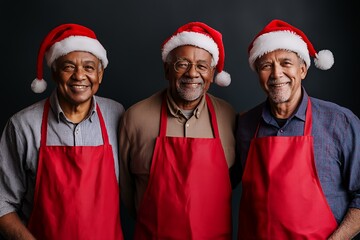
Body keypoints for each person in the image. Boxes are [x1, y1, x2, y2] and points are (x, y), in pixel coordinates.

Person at [235, 19, 360, 239]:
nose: (276, 74)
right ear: (258, 74)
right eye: (266, 66)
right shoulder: (244, 125)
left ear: (302, 70)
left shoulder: (340, 122)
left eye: (286, 63)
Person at [0, 23, 125, 240]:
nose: (79, 76)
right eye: (68, 67)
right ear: (55, 73)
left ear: (100, 74)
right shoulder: (22, 125)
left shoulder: (118, 115)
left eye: (88, 67)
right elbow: (2, 202)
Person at [119, 21, 236, 239]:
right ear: (166, 69)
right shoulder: (135, 118)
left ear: (211, 74)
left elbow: (234, 177)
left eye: (201, 66)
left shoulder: (228, 116)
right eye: (182, 64)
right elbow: (126, 188)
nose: (192, 73)